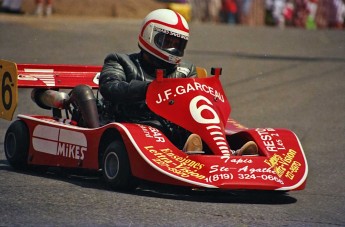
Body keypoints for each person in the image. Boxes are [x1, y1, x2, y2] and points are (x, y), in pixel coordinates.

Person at [99, 9, 258, 155]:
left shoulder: (186, 70)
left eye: (178, 44)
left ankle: (229, 153)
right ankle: (188, 150)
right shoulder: (121, 61)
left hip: (175, 124)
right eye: (167, 42)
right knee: (157, 129)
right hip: (136, 122)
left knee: (200, 124)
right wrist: (150, 89)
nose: (173, 49)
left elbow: (197, 101)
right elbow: (110, 87)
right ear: (150, 35)